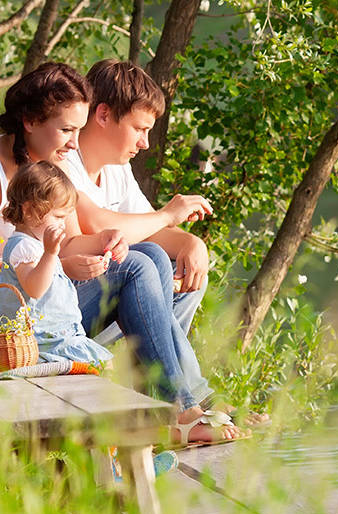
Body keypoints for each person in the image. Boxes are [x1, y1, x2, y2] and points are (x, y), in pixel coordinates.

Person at [0, 62, 248, 444]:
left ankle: (169, 403)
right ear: (30, 121)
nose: (73, 143)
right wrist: (72, 257)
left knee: (144, 253)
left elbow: (65, 242)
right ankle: (179, 408)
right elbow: (27, 258)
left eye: (77, 131)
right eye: (67, 130)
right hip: (15, 325)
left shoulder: (49, 164)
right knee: (135, 264)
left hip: (48, 306)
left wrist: (104, 244)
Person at [66, 58, 269, 426]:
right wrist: (168, 216)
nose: (144, 143)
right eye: (139, 129)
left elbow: (148, 228)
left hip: (105, 303)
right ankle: (183, 404)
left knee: (182, 268)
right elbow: (95, 225)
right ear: (103, 115)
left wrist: (191, 243)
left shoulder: (116, 168)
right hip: (67, 306)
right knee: (142, 261)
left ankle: (170, 393)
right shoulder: (64, 158)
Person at [0, 161, 112, 365]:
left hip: (63, 335)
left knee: (104, 364)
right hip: (43, 342)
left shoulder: (37, 246)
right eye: (59, 216)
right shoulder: (22, 247)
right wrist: (51, 254)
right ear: (29, 210)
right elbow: (34, 288)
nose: (63, 224)